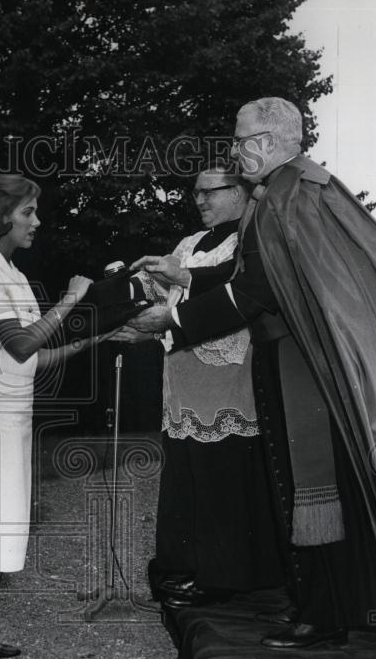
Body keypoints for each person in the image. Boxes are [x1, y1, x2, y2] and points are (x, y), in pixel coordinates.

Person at [129, 97, 376, 648]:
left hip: (303, 364)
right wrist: (184, 275)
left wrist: (173, 319)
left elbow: (258, 290)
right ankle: (336, 603)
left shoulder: (290, 196)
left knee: (311, 486)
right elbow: (247, 273)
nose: (234, 149)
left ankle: (325, 616)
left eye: (241, 137)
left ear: (271, 141)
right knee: (316, 485)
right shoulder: (290, 189)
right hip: (304, 356)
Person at [0, 175, 107, 659]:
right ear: (2, 216)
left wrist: (94, 340)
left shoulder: (8, 270)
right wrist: (71, 299)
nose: (37, 222)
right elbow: (19, 345)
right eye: (28, 213)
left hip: (9, 405)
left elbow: (32, 358)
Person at [115, 164, 283, 609]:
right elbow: (169, 303)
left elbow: (235, 289)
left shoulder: (246, 239)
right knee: (186, 474)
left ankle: (222, 576)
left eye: (210, 192)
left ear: (242, 191)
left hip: (227, 376)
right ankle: (183, 568)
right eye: (195, 194)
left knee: (220, 474)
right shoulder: (189, 243)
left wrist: (180, 283)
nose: (200, 201)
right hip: (183, 374)